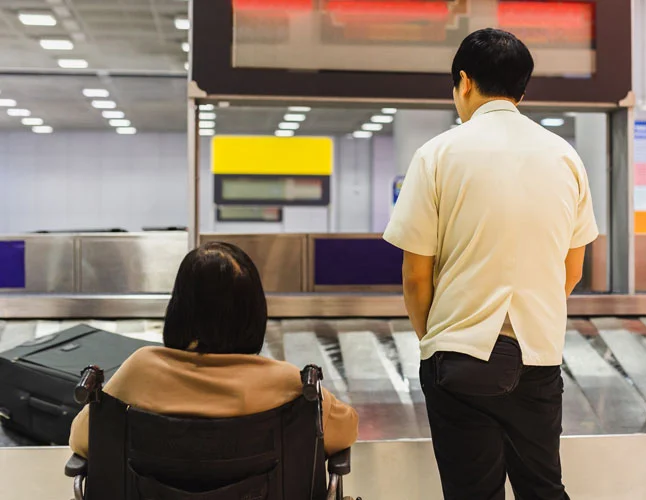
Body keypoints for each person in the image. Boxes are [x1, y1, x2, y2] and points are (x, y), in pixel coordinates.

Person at [383, 28, 598, 500]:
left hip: (459, 359)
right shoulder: (565, 157)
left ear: (464, 81)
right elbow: (574, 268)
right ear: (523, 89)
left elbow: (416, 275)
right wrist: (533, 312)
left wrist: (435, 341)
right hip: (539, 356)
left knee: (471, 492)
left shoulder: (437, 154)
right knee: (543, 487)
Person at [69, 241, 358, 458]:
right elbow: (345, 430)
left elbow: (82, 437)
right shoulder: (287, 384)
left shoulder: (141, 370)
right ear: (254, 312)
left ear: (180, 309)